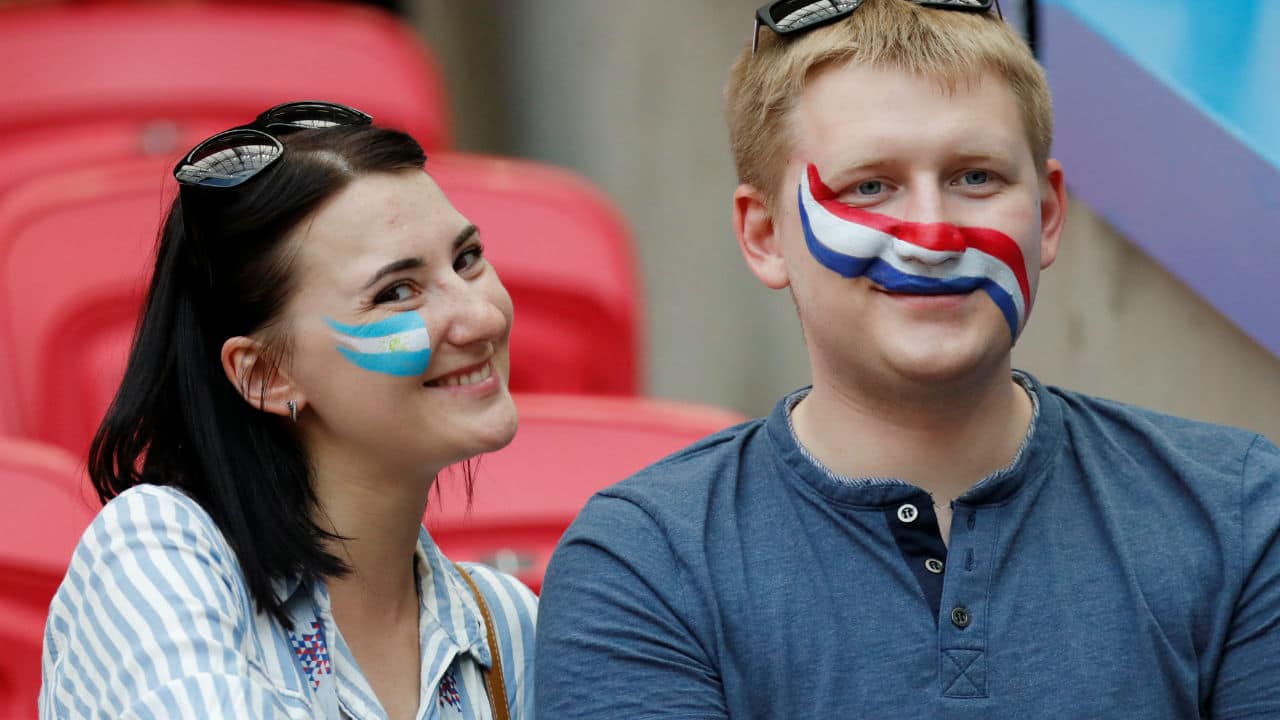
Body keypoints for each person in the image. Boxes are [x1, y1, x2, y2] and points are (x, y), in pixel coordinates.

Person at [534, 1, 1280, 717]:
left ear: (1048, 217)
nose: (931, 233)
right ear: (763, 235)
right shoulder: (645, 563)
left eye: (975, 177)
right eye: (870, 187)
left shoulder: (1237, 514)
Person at [40, 101, 536, 719]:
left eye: (467, 260)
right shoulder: (157, 552)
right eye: (396, 292)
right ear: (267, 374)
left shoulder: (509, 624)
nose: (484, 318)